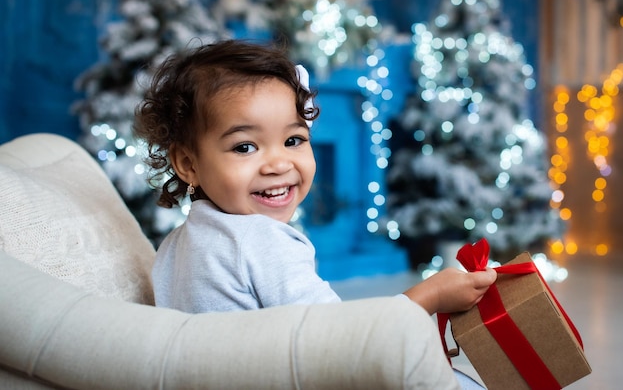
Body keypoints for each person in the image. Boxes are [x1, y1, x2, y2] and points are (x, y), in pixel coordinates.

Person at [134, 39, 496, 317]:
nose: (278, 164)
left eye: (293, 140)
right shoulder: (262, 241)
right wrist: (430, 296)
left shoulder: (174, 246)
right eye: (245, 147)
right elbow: (337, 342)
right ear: (187, 163)